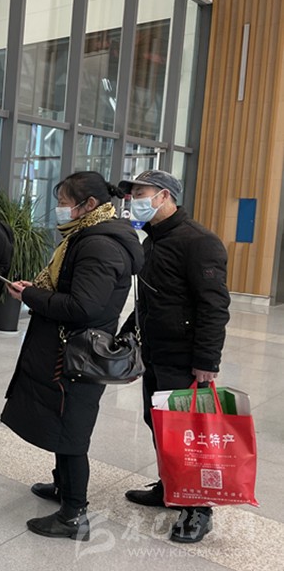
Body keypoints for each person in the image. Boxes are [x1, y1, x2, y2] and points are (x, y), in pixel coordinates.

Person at [1, 172, 143, 541]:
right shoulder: (87, 236)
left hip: (79, 355)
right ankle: (62, 487)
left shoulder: (99, 245)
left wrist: (30, 296)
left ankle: (73, 514)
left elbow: (83, 306)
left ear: (88, 205)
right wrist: (36, 292)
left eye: (64, 202)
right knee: (62, 423)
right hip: (72, 350)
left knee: (72, 432)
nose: (60, 209)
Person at [118, 169, 230, 544]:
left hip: (185, 359)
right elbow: (149, 300)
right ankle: (171, 487)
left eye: (141, 193)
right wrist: (128, 337)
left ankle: (199, 509)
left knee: (188, 434)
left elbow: (214, 306)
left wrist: (207, 361)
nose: (134, 200)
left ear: (164, 196)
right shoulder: (152, 241)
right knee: (159, 424)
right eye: (132, 194)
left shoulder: (199, 242)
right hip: (156, 352)